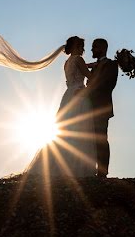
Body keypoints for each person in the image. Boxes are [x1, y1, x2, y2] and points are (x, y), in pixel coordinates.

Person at [25, 36, 97, 178]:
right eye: (81, 45)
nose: (83, 48)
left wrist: (91, 65)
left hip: (68, 95)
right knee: (80, 130)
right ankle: (76, 168)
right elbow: (89, 75)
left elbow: (78, 71)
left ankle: (57, 165)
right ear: (77, 46)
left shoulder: (67, 62)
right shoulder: (78, 59)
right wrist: (96, 72)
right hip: (79, 95)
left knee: (66, 130)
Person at [86, 38, 119, 178]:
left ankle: (102, 172)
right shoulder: (94, 66)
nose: (92, 50)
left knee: (100, 139)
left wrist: (88, 90)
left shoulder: (111, 64)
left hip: (101, 107)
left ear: (103, 48)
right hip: (87, 107)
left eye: (95, 47)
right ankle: (88, 169)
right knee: (88, 139)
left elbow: (107, 84)